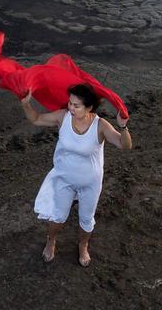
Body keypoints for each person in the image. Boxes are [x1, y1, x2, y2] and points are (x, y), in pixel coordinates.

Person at [19, 82, 133, 267]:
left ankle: (83, 244)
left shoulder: (100, 125)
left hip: (90, 183)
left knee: (86, 219)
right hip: (64, 179)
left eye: (76, 105)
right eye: (70, 103)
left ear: (89, 107)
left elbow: (124, 145)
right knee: (57, 216)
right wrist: (25, 104)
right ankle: (51, 240)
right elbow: (36, 119)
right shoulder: (63, 117)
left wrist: (123, 127)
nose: (70, 107)